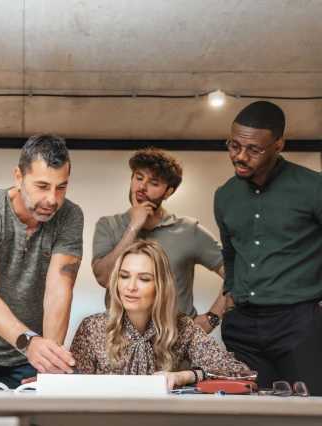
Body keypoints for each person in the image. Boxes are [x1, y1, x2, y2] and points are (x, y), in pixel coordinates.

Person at [0, 134, 84, 388]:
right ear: (18, 177)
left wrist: (49, 360)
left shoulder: (70, 216)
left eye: (61, 187)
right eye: (42, 186)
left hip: (30, 355)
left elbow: (58, 292)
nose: (52, 200)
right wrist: (29, 342)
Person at [214, 101, 322, 394]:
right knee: (251, 413)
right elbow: (230, 253)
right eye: (234, 145)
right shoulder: (224, 196)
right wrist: (229, 295)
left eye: (253, 150)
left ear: (278, 145)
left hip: (298, 324)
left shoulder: (313, 188)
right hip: (242, 327)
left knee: (309, 411)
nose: (240, 156)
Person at [72, 240, 249, 390]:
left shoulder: (181, 326)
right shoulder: (92, 328)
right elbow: (71, 390)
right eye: (124, 276)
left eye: (144, 279)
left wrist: (185, 376)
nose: (131, 286)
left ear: (161, 286)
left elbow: (241, 373)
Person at [92, 147, 225, 333]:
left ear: (168, 192)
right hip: (122, 342)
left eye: (154, 183)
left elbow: (234, 273)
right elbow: (105, 278)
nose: (141, 187)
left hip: (177, 344)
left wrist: (214, 316)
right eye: (138, 178)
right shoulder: (109, 225)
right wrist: (133, 227)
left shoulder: (189, 230)